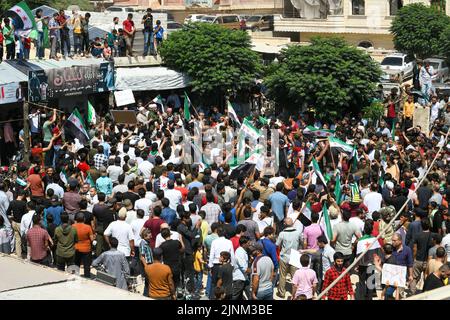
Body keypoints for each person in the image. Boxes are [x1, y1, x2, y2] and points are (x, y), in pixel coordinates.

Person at [73, 212, 94, 278]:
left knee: (76, 264)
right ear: (84, 219)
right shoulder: (88, 227)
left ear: (76, 219)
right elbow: (92, 239)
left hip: (76, 248)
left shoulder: (73, 226)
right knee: (87, 265)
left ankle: (76, 277)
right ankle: (87, 278)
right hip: (86, 249)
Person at [232, 236, 250, 300]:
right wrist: (252, 271)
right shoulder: (240, 252)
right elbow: (244, 267)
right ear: (243, 244)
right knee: (235, 296)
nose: (249, 244)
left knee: (250, 294)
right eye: (248, 243)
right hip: (239, 279)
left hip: (244, 278)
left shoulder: (243, 251)